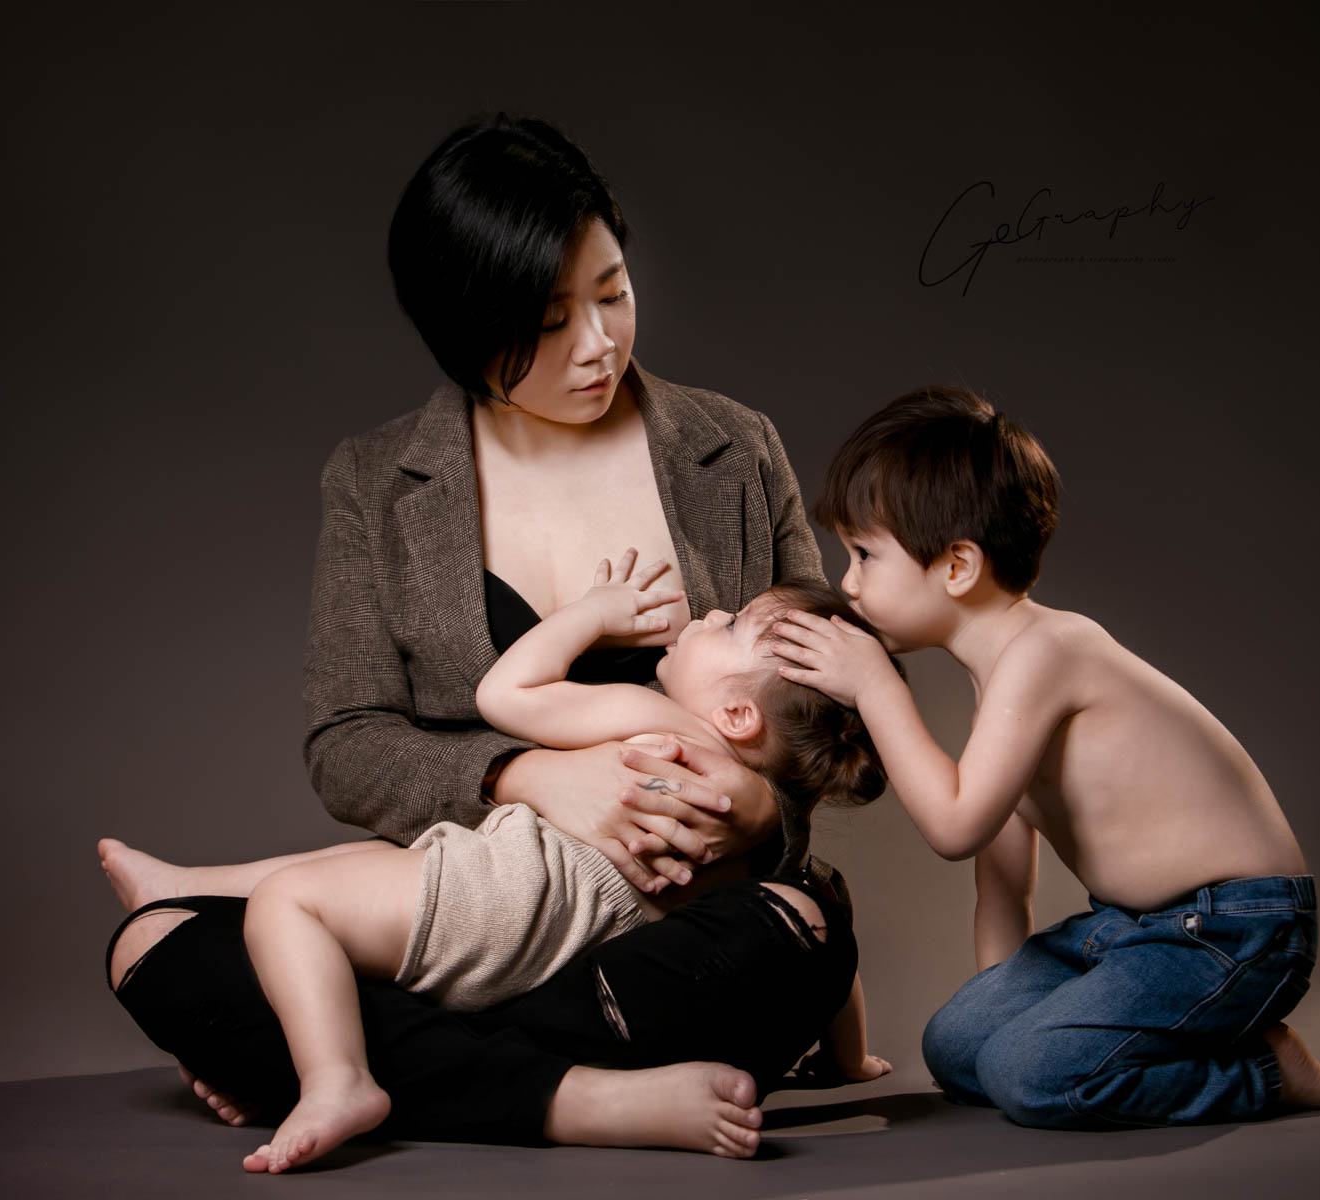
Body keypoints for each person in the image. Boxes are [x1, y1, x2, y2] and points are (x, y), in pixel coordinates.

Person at [104, 113, 864, 1157]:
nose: (597, 344)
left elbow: (825, 697)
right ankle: (579, 1099)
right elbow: (349, 744)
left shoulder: (734, 447)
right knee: (155, 945)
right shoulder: (376, 484)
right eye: (549, 322)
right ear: (464, 331)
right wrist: (528, 777)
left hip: (668, 934)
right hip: (478, 912)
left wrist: (760, 815)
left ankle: (362, 1064)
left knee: (797, 930)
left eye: (613, 292)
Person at [107, 571, 895, 1171]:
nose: (712, 614)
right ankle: (191, 886)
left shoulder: (657, 718)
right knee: (370, 867)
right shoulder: (761, 836)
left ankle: (336, 1078)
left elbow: (506, 693)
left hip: (506, 893)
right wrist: (849, 1060)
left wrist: (593, 614)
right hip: (567, 935)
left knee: (290, 904)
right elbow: (833, 941)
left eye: (731, 626)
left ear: (736, 716)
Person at [771, 385, 1320, 1129]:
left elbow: (955, 828)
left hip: (1236, 929)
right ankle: (1058, 1052)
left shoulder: (1050, 650)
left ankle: (1267, 1071)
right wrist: (995, 1015)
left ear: (958, 565)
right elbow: (1002, 889)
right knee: (958, 1049)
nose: (848, 582)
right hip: (1132, 931)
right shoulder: (999, 700)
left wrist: (875, 687)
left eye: (865, 554)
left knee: (1029, 1077)